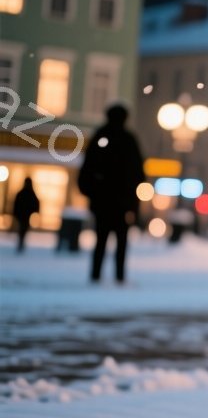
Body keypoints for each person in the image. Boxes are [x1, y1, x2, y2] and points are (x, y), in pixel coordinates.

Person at [77, 104, 146, 285]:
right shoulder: (128, 139)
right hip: (121, 204)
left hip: (104, 202)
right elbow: (139, 174)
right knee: (120, 243)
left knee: (101, 240)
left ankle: (96, 274)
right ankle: (119, 275)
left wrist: (92, 193)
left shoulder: (102, 136)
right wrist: (133, 202)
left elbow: (87, 169)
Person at [12, 177, 40, 253]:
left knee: (22, 230)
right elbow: (36, 204)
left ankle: (21, 243)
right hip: (24, 216)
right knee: (23, 230)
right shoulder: (30, 193)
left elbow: (16, 204)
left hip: (22, 216)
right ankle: (21, 243)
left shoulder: (22, 193)